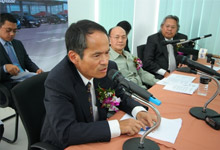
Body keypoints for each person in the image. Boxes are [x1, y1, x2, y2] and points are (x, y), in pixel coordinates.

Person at [40, 20, 157, 149]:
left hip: (97, 136)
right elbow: (67, 132)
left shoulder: (108, 69)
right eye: (97, 55)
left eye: (107, 52)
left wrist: (138, 111)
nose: (105, 61)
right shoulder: (58, 81)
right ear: (74, 57)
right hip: (66, 144)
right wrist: (118, 126)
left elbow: (121, 96)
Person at [0, 13, 43, 107]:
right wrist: (4, 68)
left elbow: (27, 61)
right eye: (8, 30)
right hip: (8, 85)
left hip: (24, 79)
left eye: (15, 31)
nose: (12, 34)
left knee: (46, 84)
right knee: (34, 101)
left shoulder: (17, 44)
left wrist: (36, 70)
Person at [142, 15, 189, 79]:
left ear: (177, 29)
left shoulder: (182, 38)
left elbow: (189, 54)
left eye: (173, 27)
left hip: (178, 72)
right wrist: (164, 73)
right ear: (162, 27)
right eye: (167, 26)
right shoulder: (153, 39)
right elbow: (147, 62)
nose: (169, 29)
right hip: (160, 74)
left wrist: (185, 63)